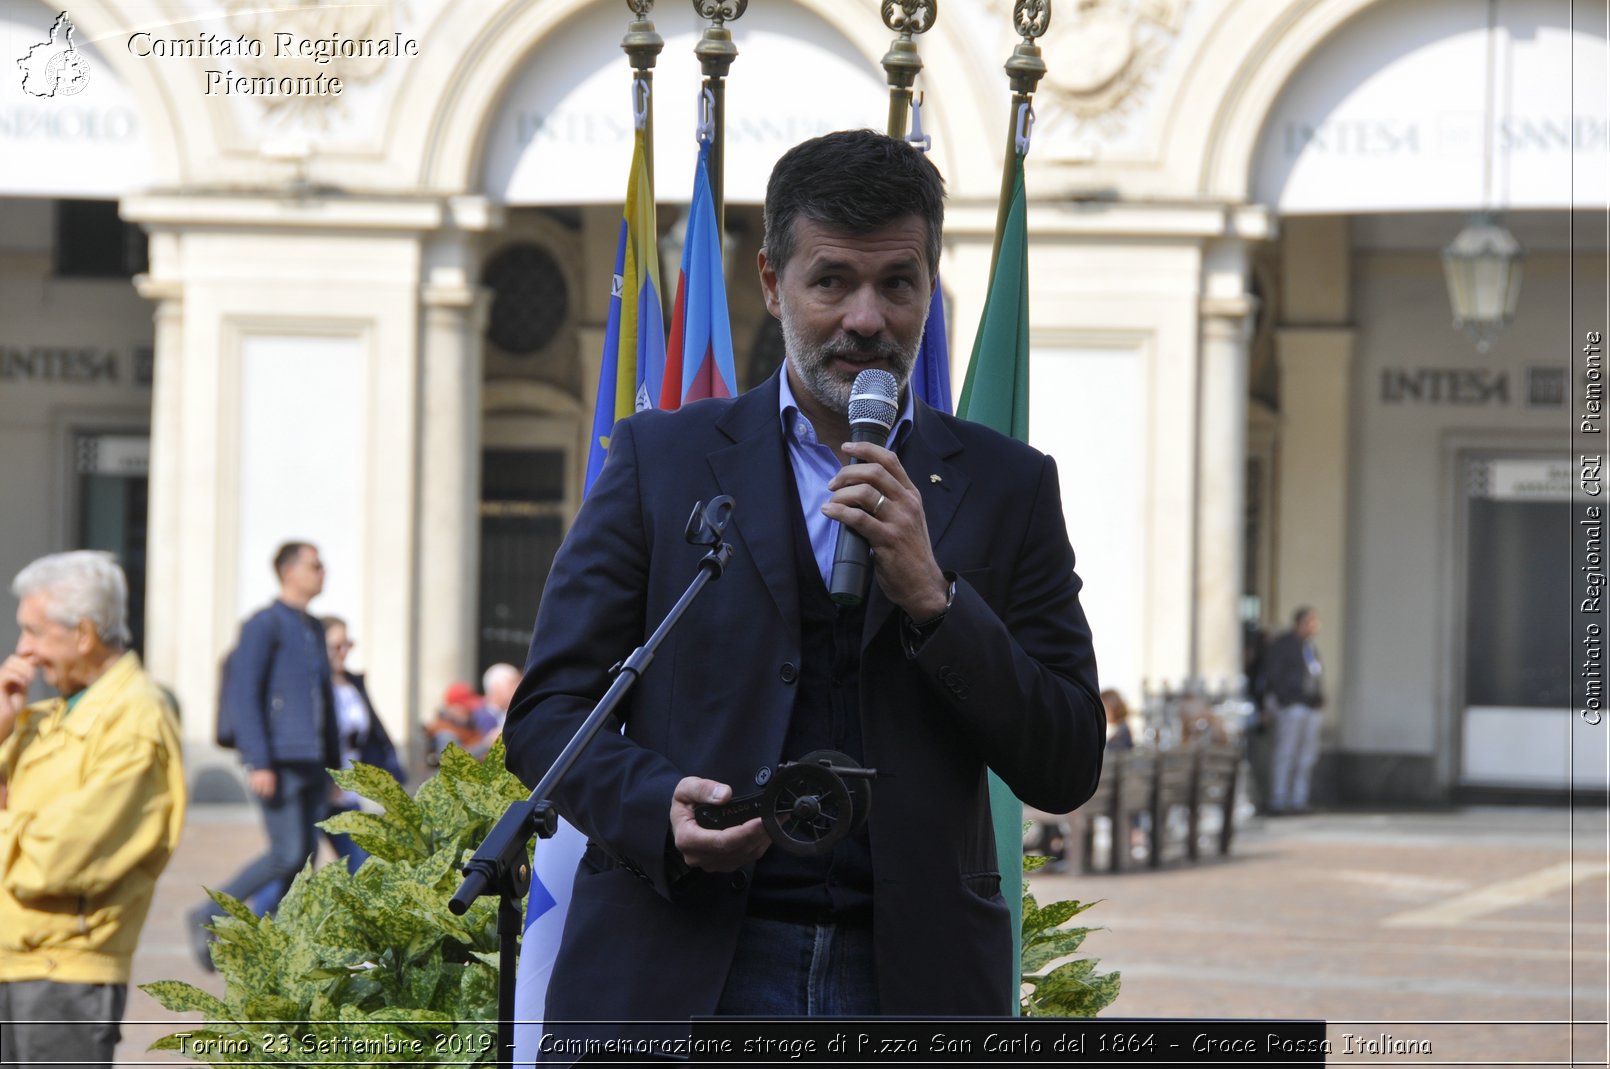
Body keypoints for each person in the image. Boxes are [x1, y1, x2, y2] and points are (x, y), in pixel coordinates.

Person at [503, 129, 1104, 1048]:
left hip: (909, 981)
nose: (867, 318)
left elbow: (1067, 759)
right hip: (683, 964)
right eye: (832, 281)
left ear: (931, 291)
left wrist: (937, 603)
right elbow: (549, 711)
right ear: (771, 282)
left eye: (898, 284)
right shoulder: (660, 462)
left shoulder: (1009, 486)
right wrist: (655, 806)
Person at [0, 551, 186, 1067]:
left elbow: (54, 862)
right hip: (17, 960)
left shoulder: (135, 720)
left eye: (33, 631)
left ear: (82, 633)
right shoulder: (48, 712)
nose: (23, 651)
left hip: (63, 976)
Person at [189, 542, 339, 969]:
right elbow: (244, 695)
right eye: (315, 565)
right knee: (286, 853)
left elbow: (323, 701)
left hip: (311, 761)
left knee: (303, 856)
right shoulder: (263, 625)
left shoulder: (311, 627)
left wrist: (333, 768)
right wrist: (259, 760)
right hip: (278, 760)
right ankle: (208, 914)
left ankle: (266, 943)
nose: (322, 571)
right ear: (289, 572)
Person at [1264, 606, 1325, 813]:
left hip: (1310, 706)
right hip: (1292, 705)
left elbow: (1315, 675)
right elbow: (1275, 674)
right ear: (1300, 623)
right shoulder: (1285, 645)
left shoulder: (1310, 647)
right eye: (1312, 621)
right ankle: (1279, 798)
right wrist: (1286, 698)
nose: (1315, 626)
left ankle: (1298, 798)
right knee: (1286, 753)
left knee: (1306, 755)